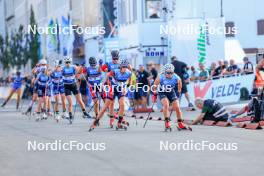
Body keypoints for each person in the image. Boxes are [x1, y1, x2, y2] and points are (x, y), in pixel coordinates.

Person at [89, 58, 132, 131]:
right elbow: (108, 75)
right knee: (105, 106)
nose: (125, 68)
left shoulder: (129, 72)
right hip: (113, 89)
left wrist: (127, 87)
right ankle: (95, 122)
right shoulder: (115, 71)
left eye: (126, 67)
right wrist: (106, 83)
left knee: (122, 105)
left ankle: (119, 123)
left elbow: (130, 81)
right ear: (120, 67)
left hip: (120, 89)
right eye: (123, 67)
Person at [152, 64, 189, 131]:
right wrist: (154, 95)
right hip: (162, 91)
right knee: (166, 105)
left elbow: (180, 85)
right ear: (164, 72)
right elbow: (154, 87)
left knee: (177, 107)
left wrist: (178, 92)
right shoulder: (160, 77)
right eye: (168, 73)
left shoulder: (176, 77)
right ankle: (167, 122)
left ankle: (180, 123)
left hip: (171, 91)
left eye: (171, 72)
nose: (170, 74)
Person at [62, 56, 91, 124]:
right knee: (70, 103)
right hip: (66, 86)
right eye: (66, 62)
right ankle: (70, 116)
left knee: (80, 100)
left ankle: (85, 113)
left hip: (73, 85)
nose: (68, 63)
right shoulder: (63, 69)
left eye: (69, 62)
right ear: (65, 63)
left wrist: (81, 66)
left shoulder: (73, 67)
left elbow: (80, 72)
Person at [101, 50, 121, 125]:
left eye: (116, 59)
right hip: (111, 85)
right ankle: (112, 118)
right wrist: (102, 66)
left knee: (121, 102)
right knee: (111, 103)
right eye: (114, 59)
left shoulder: (121, 64)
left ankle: (120, 116)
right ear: (112, 58)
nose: (115, 60)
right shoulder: (108, 64)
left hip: (119, 85)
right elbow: (102, 69)